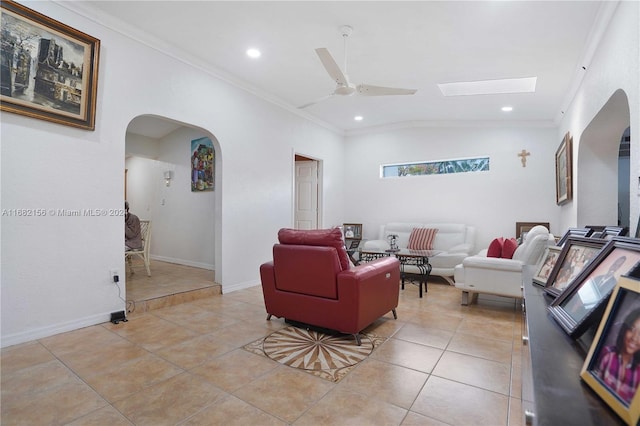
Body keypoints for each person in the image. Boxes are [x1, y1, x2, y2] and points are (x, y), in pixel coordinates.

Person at [595, 308, 640, 404]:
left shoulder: (638, 373)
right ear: (625, 329)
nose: (634, 338)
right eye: (632, 329)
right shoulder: (607, 355)